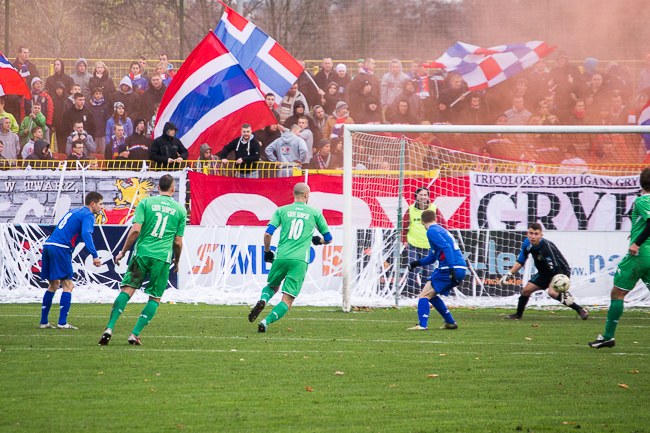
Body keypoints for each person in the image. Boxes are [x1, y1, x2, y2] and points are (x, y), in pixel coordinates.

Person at [98, 175, 186, 346]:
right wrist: (177, 260)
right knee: (155, 298)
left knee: (127, 290)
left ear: (158, 188)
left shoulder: (145, 203)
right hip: (162, 258)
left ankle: (109, 328)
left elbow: (135, 230)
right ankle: (134, 334)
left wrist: (123, 252)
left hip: (141, 254)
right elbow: (177, 242)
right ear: (173, 189)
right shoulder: (180, 210)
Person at [248, 182, 332, 333]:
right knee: (288, 299)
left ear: (294, 194)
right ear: (306, 195)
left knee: (272, 286)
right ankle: (265, 322)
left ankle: (263, 300)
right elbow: (328, 238)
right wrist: (317, 240)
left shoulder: (281, 211)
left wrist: (267, 252)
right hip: (299, 260)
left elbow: (267, 234)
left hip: (281, 257)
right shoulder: (315, 213)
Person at [589, 168, 650, 348]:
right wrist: (636, 234)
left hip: (640, 255)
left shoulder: (642, 200)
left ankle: (608, 336)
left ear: (641, 182)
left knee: (617, 293)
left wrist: (636, 243)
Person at [39, 192, 104, 329]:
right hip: (61, 248)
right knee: (68, 285)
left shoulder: (74, 211)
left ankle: (44, 322)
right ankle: (62, 322)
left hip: (48, 245)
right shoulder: (88, 215)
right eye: (100, 204)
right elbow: (86, 234)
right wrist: (94, 255)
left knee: (53, 284)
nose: (102, 207)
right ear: (93, 204)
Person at [501, 222, 589, 320]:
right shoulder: (526, 243)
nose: (533, 236)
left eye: (536, 234)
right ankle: (518, 315)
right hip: (544, 272)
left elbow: (555, 268)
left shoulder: (546, 248)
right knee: (526, 291)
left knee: (552, 293)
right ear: (527, 234)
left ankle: (580, 309)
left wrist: (562, 289)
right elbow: (521, 261)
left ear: (541, 235)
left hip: (560, 271)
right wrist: (509, 274)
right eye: (531, 233)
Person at [407, 209, 466, 330]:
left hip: (449, 268)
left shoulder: (431, 231)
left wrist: (451, 268)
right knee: (431, 295)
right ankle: (450, 322)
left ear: (422, 222)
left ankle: (422, 325)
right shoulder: (441, 230)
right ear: (435, 219)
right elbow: (432, 257)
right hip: (460, 268)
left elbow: (446, 247)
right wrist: (417, 263)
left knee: (424, 296)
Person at [403, 187, 438, 297]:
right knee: (413, 268)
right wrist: (404, 239)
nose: (423, 197)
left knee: (428, 270)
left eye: (425, 195)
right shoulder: (411, 209)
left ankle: (424, 292)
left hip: (429, 245)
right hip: (413, 244)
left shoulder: (434, 209)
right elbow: (404, 225)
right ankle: (409, 291)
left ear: (428, 196)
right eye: (421, 195)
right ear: (416, 196)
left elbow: (442, 225)